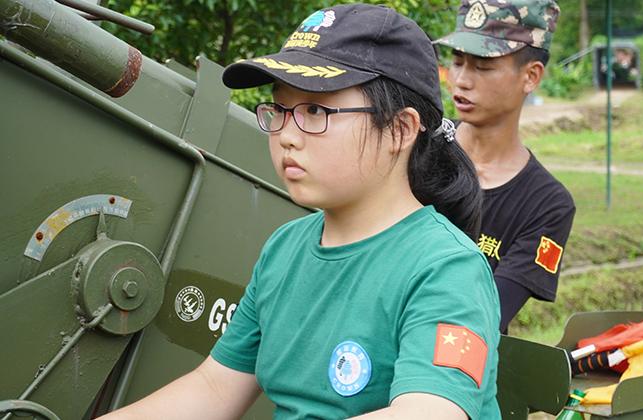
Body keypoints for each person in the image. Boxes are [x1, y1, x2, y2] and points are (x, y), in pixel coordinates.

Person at [101, 4, 500, 419]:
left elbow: (429, 412)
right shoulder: (286, 249)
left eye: (315, 111)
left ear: (399, 129)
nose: (287, 136)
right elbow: (214, 388)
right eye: (280, 110)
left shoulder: (446, 267)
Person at [435, 0, 576, 333]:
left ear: (530, 76)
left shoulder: (547, 204)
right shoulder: (420, 147)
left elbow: (485, 316)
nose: (461, 81)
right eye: (457, 62)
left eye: (482, 66)